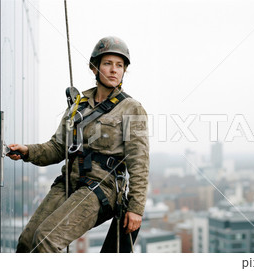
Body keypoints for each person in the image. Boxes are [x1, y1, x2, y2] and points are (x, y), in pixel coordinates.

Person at [9, 36, 149, 253]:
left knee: (46, 239)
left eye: (119, 65)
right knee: (28, 242)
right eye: (108, 63)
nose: (114, 70)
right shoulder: (78, 105)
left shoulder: (131, 108)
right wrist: (28, 151)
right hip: (68, 182)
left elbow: (139, 163)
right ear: (94, 68)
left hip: (101, 187)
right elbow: (57, 148)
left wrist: (136, 208)